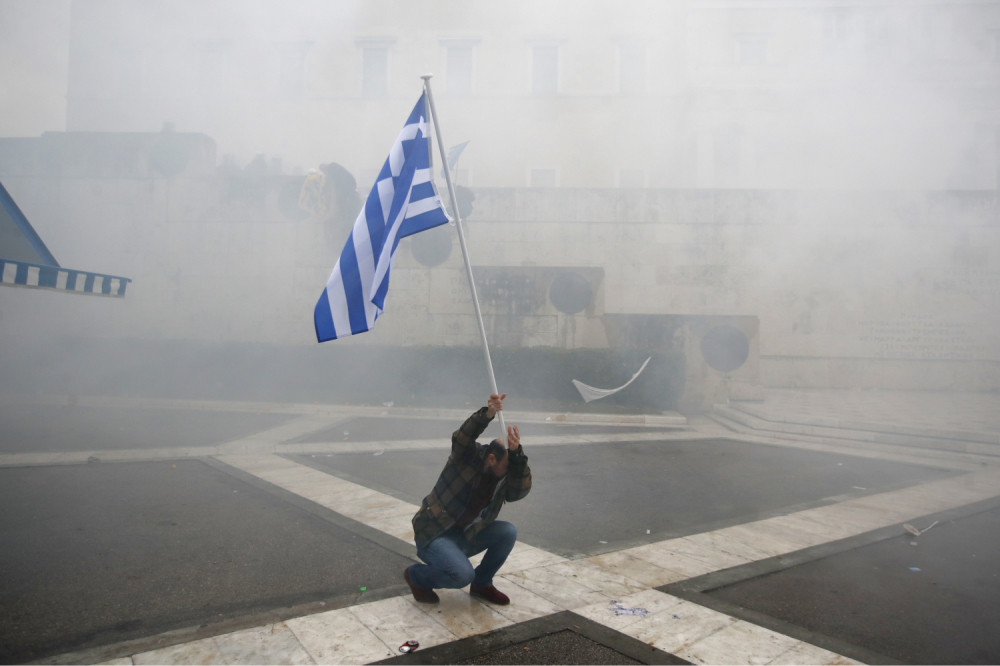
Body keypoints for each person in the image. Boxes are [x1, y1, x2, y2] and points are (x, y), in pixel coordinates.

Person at [404, 393, 531, 606]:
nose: (509, 472)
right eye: (507, 465)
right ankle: (416, 576)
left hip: (466, 535)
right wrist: (488, 413)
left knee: (508, 532)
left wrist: (517, 456)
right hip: (435, 534)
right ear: (491, 459)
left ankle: (482, 584)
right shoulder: (466, 458)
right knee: (462, 575)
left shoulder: (502, 477)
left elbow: (520, 491)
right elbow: (462, 437)